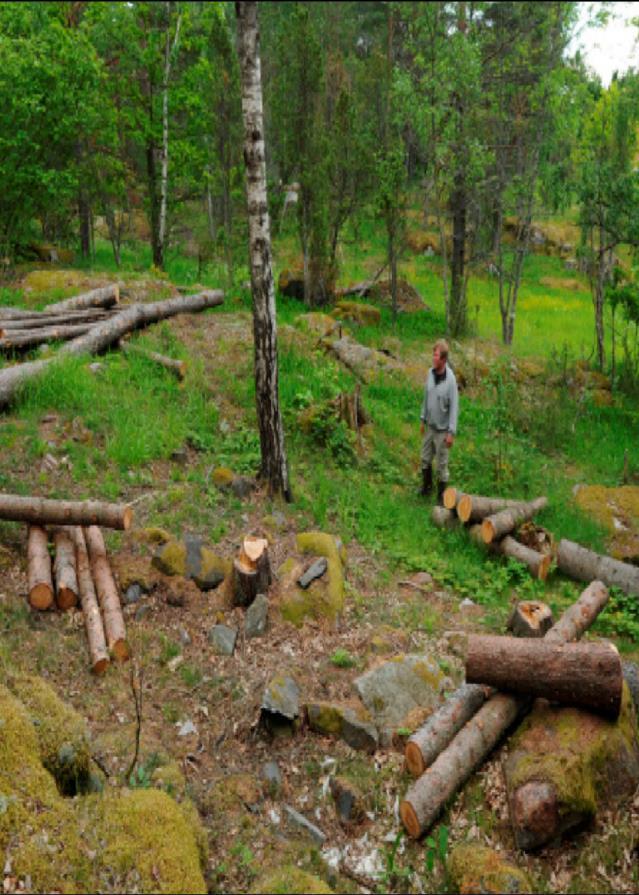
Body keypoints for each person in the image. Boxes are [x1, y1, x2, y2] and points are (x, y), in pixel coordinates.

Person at [419, 339, 458, 503]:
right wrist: (422, 419)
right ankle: (426, 487)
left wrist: (451, 432)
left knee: (442, 464)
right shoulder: (430, 373)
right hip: (430, 426)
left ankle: (441, 497)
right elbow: (426, 397)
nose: (433, 358)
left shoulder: (451, 381)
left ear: (443, 359)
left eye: (436, 356)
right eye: (433, 355)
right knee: (425, 458)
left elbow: (454, 408)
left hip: (442, 431)